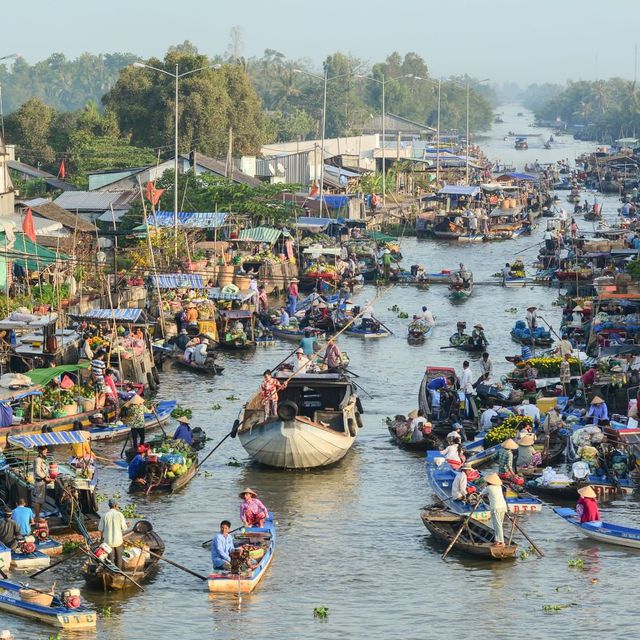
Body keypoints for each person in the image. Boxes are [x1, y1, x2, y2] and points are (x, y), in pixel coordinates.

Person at [98, 499, 128, 569]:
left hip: (108, 541)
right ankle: (119, 572)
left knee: (110, 558)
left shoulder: (104, 515)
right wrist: (127, 525)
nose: (118, 506)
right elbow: (124, 528)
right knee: (119, 557)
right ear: (115, 505)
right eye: (117, 505)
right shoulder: (120, 515)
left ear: (109, 506)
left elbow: (100, 529)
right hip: (118, 541)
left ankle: (111, 572)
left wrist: (101, 538)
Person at [481, 473, 508, 545]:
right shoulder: (499, 487)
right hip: (503, 507)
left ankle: (502, 542)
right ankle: (497, 540)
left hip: (496, 508)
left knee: (497, 525)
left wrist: (483, 488)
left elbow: (481, 493)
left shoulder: (489, 488)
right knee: (499, 524)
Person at [32, 446, 50, 519]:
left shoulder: (43, 459)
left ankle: (38, 516)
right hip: (40, 482)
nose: (45, 451)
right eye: (43, 449)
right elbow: (37, 471)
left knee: (41, 500)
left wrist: (48, 477)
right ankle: (37, 516)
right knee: (38, 500)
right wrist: (45, 478)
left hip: (43, 482)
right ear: (39, 450)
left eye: (45, 449)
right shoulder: (38, 460)